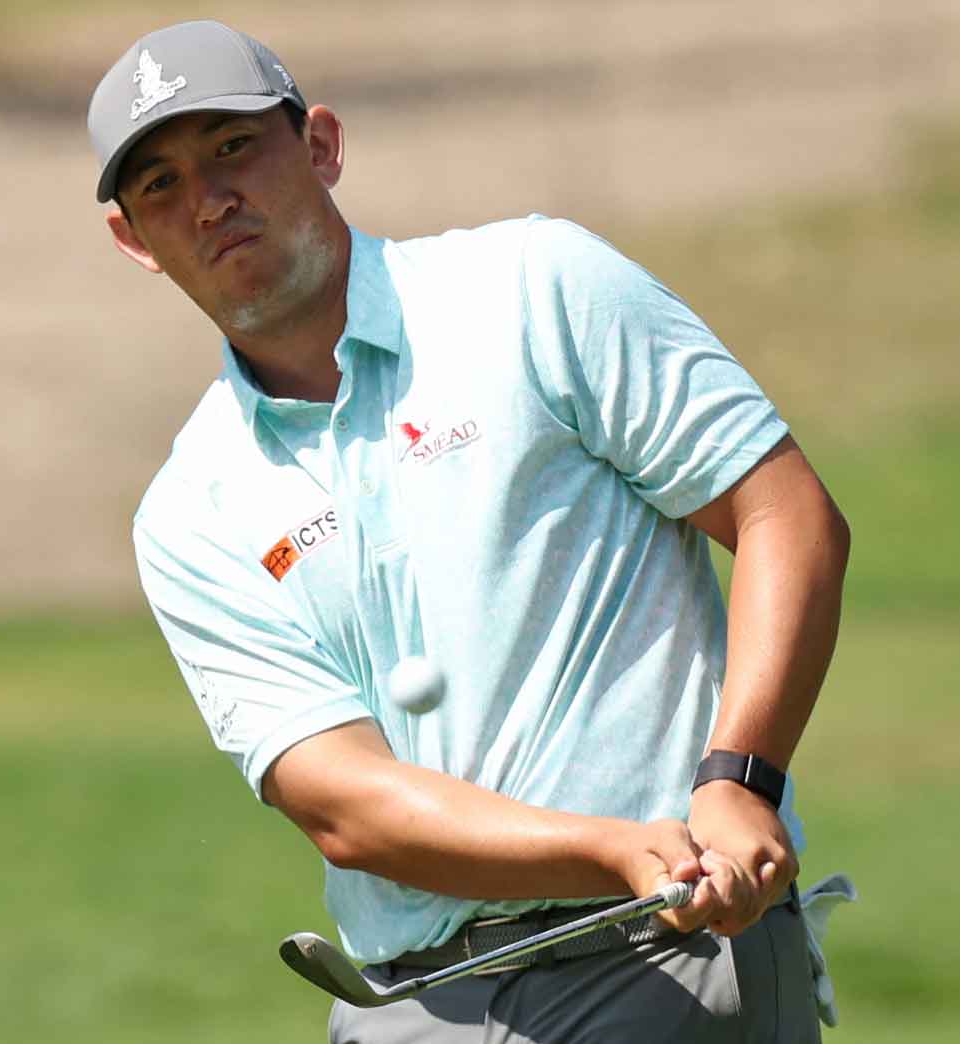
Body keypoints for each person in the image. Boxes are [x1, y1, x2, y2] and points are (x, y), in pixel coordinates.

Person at [89, 20, 852, 1044]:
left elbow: (782, 512)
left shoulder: (532, 288)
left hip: (658, 953)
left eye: (234, 148)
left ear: (318, 145)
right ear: (133, 239)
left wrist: (737, 782)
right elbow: (340, 802)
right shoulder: (192, 509)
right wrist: (608, 848)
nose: (209, 199)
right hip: (408, 1003)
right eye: (160, 184)